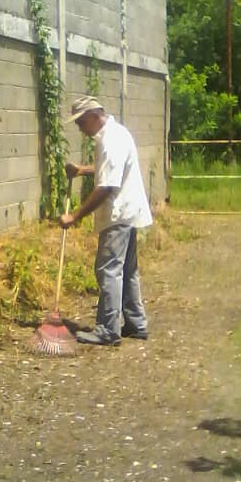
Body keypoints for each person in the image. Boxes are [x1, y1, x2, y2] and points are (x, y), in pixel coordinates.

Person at [59, 95, 152, 347]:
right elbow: (109, 169)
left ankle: (108, 330)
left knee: (108, 269)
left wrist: (75, 216)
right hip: (128, 211)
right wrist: (82, 170)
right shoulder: (115, 133)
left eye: (80, 122)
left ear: (92, 116)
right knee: (127, 271)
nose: (79, 128)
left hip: (118, 214)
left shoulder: (110, 140)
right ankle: (136, 323)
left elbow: (106, 186)